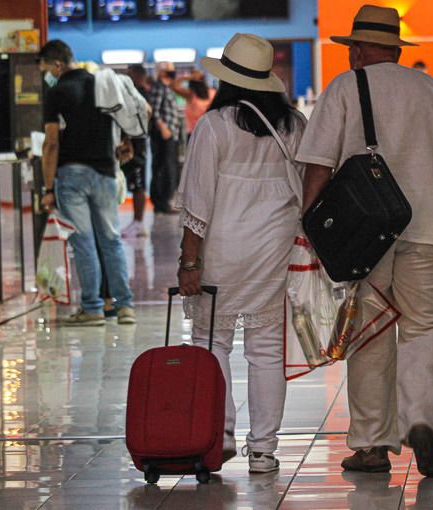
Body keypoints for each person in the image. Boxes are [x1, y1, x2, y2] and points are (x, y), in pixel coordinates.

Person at [297, 5, 433, 477]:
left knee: (370, 336)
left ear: (359, 50)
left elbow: (318, 167)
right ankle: (422, 417)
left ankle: (370, 445)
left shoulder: (344, 88)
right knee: (427, 329)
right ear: (397, 48)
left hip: (361, 238)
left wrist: (308, 229)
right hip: (427, 233)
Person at [176, 33, 306, 473]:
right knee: (267, 350)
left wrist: (188, 261)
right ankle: (265, 450)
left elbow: (197, 202)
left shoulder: (214, 126)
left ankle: (220, 437)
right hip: (274, 250)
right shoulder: (292, 126)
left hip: (223, 250)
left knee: (211, 342)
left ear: (227, 81)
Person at [38, 40, 136, 326]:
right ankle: (125, 306)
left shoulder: (57, 93)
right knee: (112, 240)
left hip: (72, 175)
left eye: (47, 68)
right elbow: (124, 124)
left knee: (84, 243)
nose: (48, 74)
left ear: (57, 64)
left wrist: (47, 188)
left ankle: (92, 308)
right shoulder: (102, 85)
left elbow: (52, 142)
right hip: (105, 171)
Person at [147, 61, 183, 214]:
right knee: (163, 168)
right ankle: (161, 202)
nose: (172, 72)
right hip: (164, 135)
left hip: (171, 134)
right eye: (169, 70)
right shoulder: (158, 88)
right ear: (161, 72)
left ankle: (165, 200)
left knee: (169, 167)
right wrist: (163, 128)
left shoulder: (166, 88)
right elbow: (153, 110)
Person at [121, 64, 151, 238]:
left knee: (137, 184)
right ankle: (136, 222)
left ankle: (139, 223)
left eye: (129, 74)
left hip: (137, 147)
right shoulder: (134, 94)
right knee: (134, 183)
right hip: (133, 144)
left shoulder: (139, 95)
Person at [171, 69, 217, 137]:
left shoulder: (190, 95)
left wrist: (188, 77)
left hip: (194, 134)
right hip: (211, 132)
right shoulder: (213, 92)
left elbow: (173, 85)